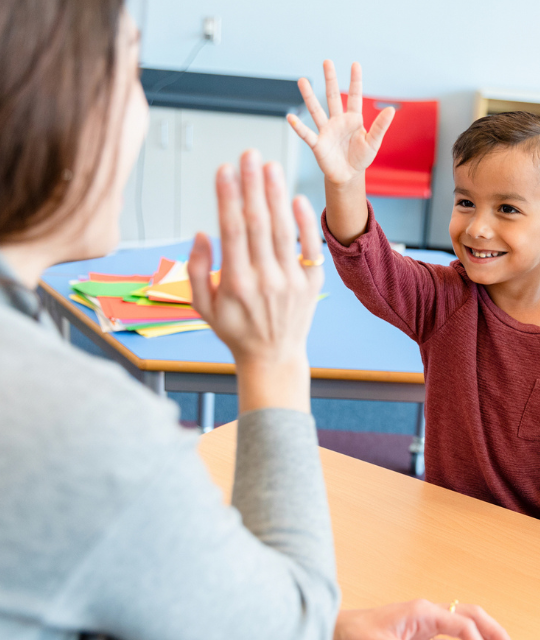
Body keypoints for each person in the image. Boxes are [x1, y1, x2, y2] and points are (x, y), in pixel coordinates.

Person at [0, 3, 509, 639]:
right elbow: (281, 625)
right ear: (50, 100)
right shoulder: (89, 431)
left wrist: (333, 626)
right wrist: (273, 358)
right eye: (129, 67)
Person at [287, 62, 540, 536]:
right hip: (441, 531)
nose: (477, 226)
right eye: (465, 201)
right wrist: (345, 182)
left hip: (538, 546)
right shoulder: (446, 300)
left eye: (507, 209)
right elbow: (369, 265)